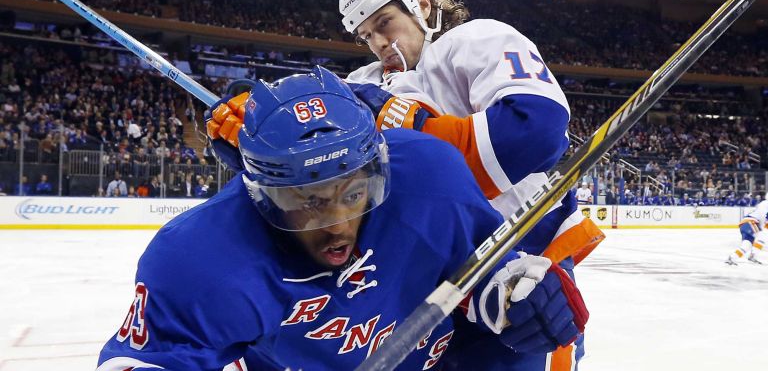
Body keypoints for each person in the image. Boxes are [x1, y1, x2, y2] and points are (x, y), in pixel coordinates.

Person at [99, 68, 587, 370]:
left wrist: (518, 294)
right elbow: (147, 361)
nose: (335, 225)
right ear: (260, 193)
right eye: (308, 200)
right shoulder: (202, 259)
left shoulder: (427, 175)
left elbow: (477, 273)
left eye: (353, 193)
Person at [337, 0, 602, 368]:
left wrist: (418, 131)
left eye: (384, 23)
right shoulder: (364, 84)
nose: (378, 43)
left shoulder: (476, 40)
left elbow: (536, 130)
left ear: (421, 4)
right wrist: (251, 120)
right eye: (366, 35)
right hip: (425, 282)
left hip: (520, 269)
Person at [726, 198, 767, 265]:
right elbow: (764, 219)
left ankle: (732, 258)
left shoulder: (763, 203)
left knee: (747, 245)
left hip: (746, 224)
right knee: (762, 237)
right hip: (751, 222)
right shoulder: (765, 204)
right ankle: (753, 256)